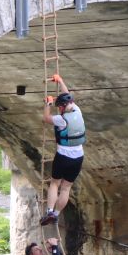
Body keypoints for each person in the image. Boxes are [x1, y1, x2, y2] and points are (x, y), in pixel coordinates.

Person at [40, 74, 84, 226]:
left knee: (54, 183)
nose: (58, 109)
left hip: (63, 156)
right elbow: (67, 96)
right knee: (66, 188)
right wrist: (60, 81)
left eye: (59, 107)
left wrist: (48, 103)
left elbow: (46, 118)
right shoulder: (77, 110)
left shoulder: (61, 119)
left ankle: (50, 212)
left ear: (63, 107)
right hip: (78, 157)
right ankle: (57, 215)